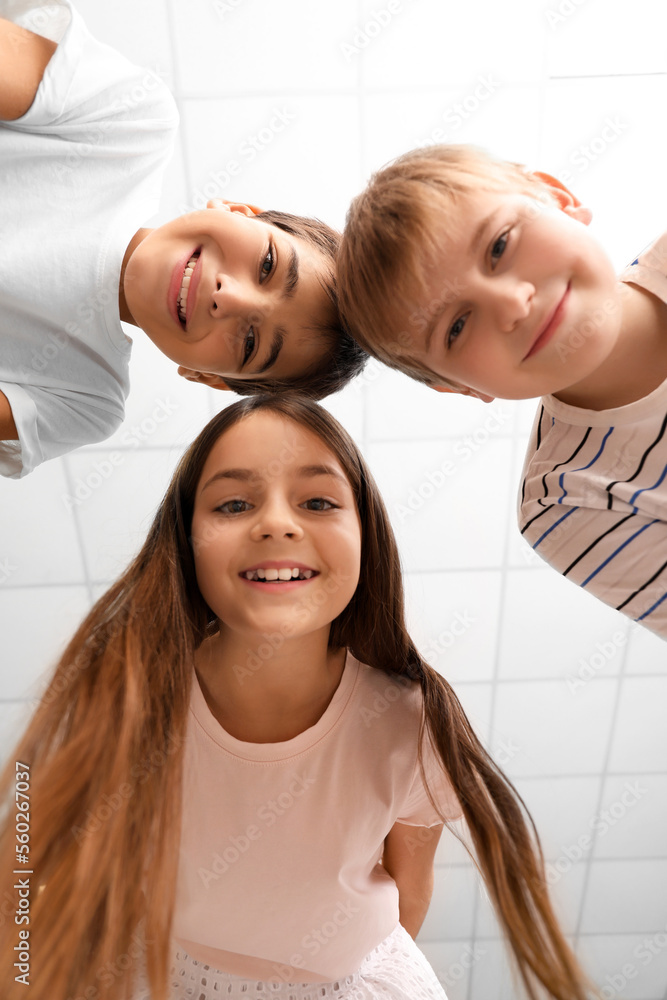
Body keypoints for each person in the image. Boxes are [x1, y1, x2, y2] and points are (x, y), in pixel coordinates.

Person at [0, 394, 593, 1000]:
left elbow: (409, 890)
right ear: (185, 541)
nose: (276, 524)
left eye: (317, 502)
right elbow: (22, 856)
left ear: (367, 535)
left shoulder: (411, 722)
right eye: (233, 504)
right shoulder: (128, 689)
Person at [0, 0, 366, 479]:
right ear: (239, 210)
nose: (227, 297)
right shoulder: (130, 124)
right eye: (267, 266)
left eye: (251, 341)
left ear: (207, 377)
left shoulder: (85, 401)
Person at [337, 143, 667, 639]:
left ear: (558, 196)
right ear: (458, 388)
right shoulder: (564, 501)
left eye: (499, 246)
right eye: (457, 327)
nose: (514, 304)